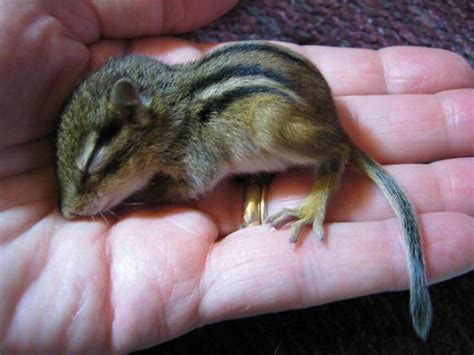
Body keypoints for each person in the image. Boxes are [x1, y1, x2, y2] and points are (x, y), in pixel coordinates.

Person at [0, 1, 472, 353]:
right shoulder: (159, 126)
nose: (75, 203)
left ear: (138, 116)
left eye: (96, 174)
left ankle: (329, 172)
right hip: (269, 82)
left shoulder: (178, 137)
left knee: (277, 127)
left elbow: (199, 175)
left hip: (285, 111)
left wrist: (163, 191)